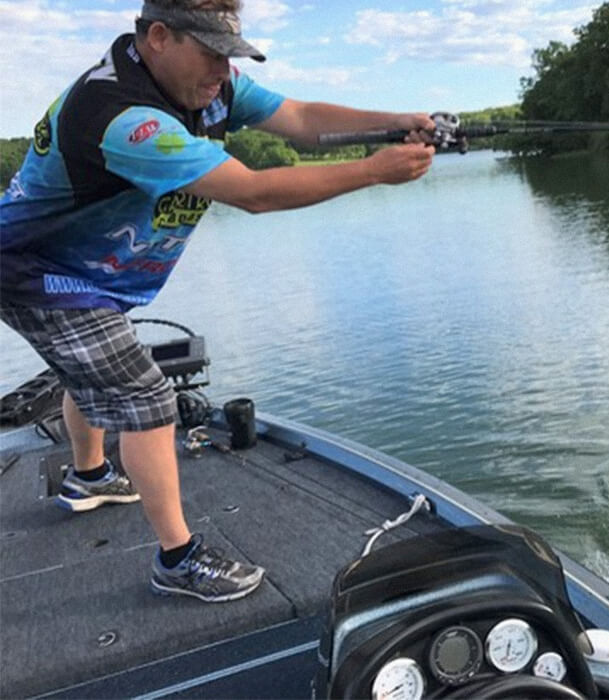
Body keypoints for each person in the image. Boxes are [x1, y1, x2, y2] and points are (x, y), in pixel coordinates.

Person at [0, 0, 436, 603]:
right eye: (209, 53)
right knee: (146, 395)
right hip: (30, 269)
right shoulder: (124, 117)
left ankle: (90, 474)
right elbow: (254, 193)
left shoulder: (211, 83)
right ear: (159, 37)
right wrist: (373, 171)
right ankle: (177, 561)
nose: (220, 72)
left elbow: (304, 118)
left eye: (228, 55)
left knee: (96, 363)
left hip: (86, 270)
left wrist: (396, 121)